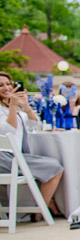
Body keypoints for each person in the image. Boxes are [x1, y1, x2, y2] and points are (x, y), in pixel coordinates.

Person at [0, 72, 64, 218]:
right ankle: (41, 210)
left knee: (52, 165)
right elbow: (9, 130)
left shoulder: (12, 107)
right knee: (55, 168)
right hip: (5, 157)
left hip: (15, 156)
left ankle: (44, 206)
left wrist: (26, 106)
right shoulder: (6, 108)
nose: (6, 87)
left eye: (8, 84)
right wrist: (12, 106)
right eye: (1, 85)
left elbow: (34, 124)